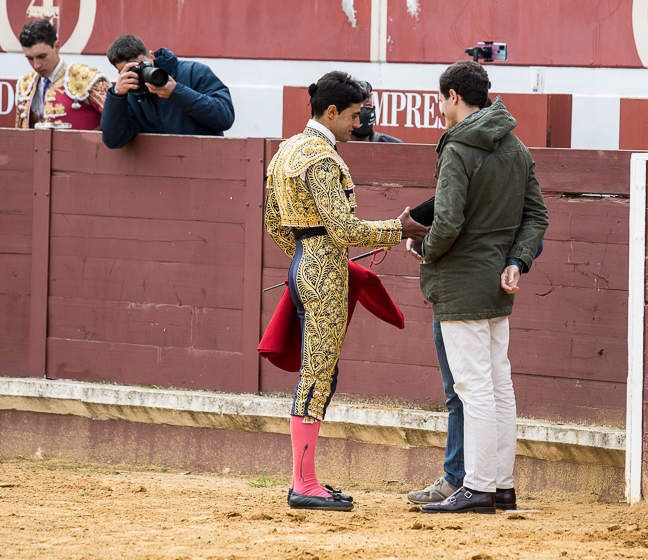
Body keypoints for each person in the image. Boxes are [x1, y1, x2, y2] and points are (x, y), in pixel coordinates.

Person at [263, 71, 427, 511]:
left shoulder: (286, 151)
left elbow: (275, 223)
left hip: (304, 262)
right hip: (323, 269)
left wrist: (306, 253)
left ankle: (307, 478)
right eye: (354, 115)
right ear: (331, 112)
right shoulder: (320, 157)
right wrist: (400, 228)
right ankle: (303, 484)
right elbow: (342, 228)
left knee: (320, 373)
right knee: (318, 375)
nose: (359, 124)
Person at [416, 61, 548, 514]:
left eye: (441, 100)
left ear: (454, 96)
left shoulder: (457, 147)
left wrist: (425, 250)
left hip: (460, 283)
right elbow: (536, 216)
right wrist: (517, 260)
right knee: (498, 386)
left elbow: (448, 220)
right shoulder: (516, 148)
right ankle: (502, 485)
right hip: (497, 284)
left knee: (474, 389)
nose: (440, 108)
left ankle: (477, 486)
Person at [100, 35, 234, 148]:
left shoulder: (194, 72)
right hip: (158, 173)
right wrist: (117, 95)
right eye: (130, 70)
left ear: (151, 56)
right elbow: (114, 140)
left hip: (206, 164)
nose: (139, 73)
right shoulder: (129, 93)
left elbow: (224, 117)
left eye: (140, 65)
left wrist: (176, 92)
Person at [14, 18, 109, 130]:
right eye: (30, 58)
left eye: (42, 56)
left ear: (57, 46)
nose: (36, 65)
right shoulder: (25, 85)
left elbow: (118, 120)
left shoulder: (86, 78)